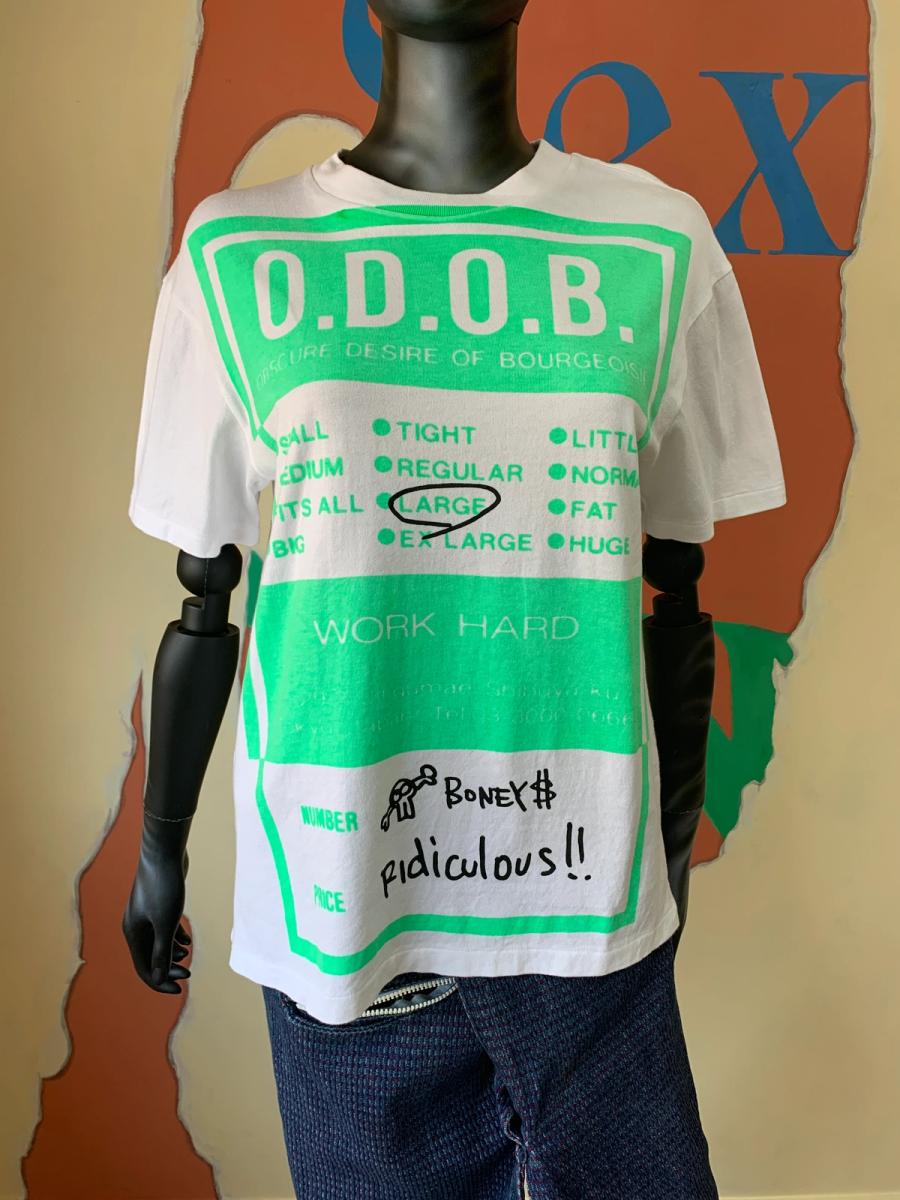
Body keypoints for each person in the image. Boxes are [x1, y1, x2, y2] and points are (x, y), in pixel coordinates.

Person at [124, 3, 787, 1196]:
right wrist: (158, 849)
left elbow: (676, 595)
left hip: (587, 917)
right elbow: (202, 602)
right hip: (344, 910)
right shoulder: (236, 253)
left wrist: (666, 850)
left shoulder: (656, 243)